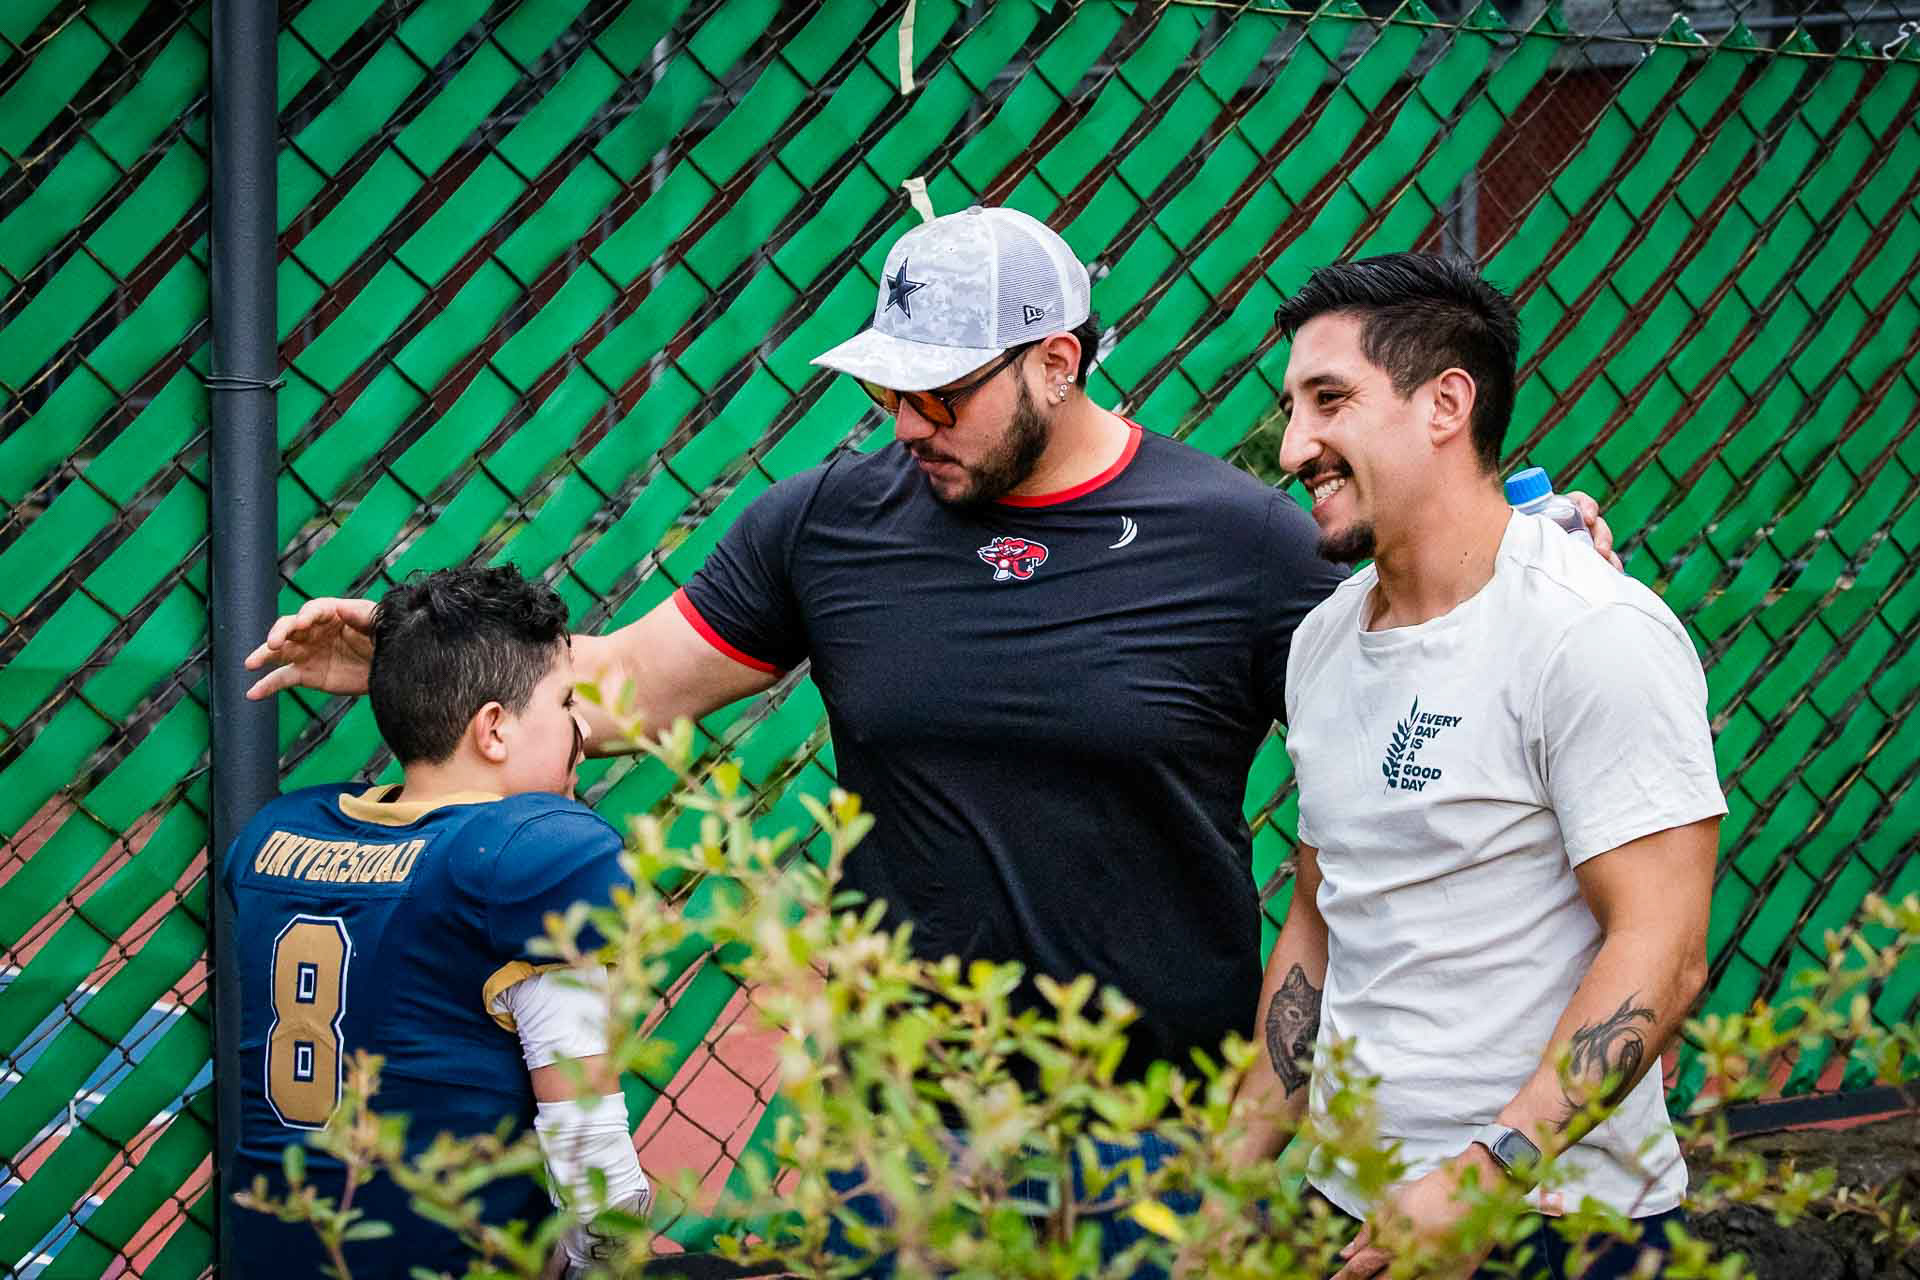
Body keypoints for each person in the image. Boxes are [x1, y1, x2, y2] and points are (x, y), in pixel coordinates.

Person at [243, 208, 1614, 1261]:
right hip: (901, 1129)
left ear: (1059, 361)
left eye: (943, 391)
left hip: (1161, 1132)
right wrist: (418, 662)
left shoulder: (1241, 541)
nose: (906, 421)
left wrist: (1535, 535)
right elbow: (626, 693)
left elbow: (1433, 630)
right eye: (889, 389)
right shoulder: (826, 523)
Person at [1225, 254, 1723, 1280]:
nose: (1294, 444)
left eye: (1330, 401)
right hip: (1351, 1202)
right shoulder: (1323, 639)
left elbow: (1664, 948)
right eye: (1292, 407)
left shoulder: (1589, 631)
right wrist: (1227, 1181)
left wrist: (1486, 1175)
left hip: (1552, 1217)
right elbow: (1322, 914)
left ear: (1447, 403)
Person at [224, 566, 650, 1279]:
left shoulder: (278, 836)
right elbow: (594, 1166)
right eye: (566, 703)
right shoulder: (527, 856)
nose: (581, 731)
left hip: (278, 1253)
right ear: (494, 729)